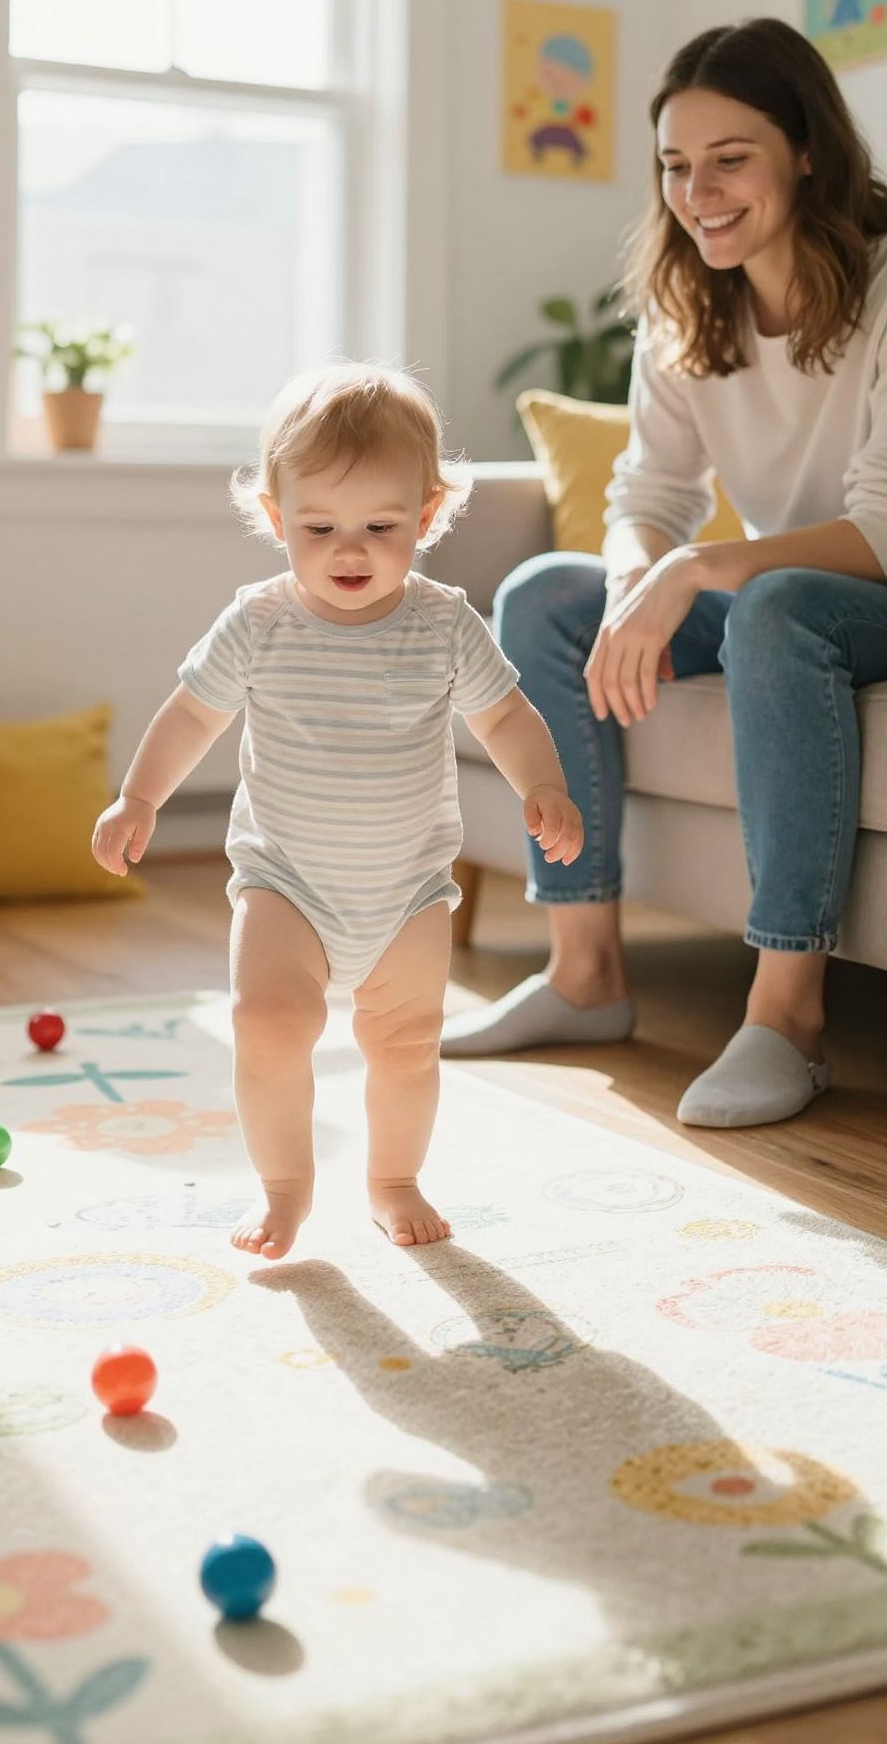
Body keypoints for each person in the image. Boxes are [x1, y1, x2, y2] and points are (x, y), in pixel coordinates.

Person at [442, 17, 887, 1130]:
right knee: (550, 592)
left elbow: (882, 526)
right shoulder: (690, 299)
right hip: (793, 593)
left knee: (773, 610)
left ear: (807, 152)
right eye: (676, 166)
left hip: (852, 587)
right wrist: (643, 577)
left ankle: (787, 1017)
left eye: (730, 158)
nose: (699, 191)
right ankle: (586, 972)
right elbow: (649, 496)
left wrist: (696, 566)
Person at [92, 362, 583, 1259]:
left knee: (406, 1044)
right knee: (267, 1025)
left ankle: (394, 1179)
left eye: (381, 527)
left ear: (427, 516)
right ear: (277, 519)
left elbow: (505, 714)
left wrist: (542, 787)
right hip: (286, 882)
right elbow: (195, 713)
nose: (349, 551)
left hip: (407, 892)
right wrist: (139, 796)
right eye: (319, 527)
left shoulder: (443, 623)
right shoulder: (260, 621)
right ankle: (285, 1186)